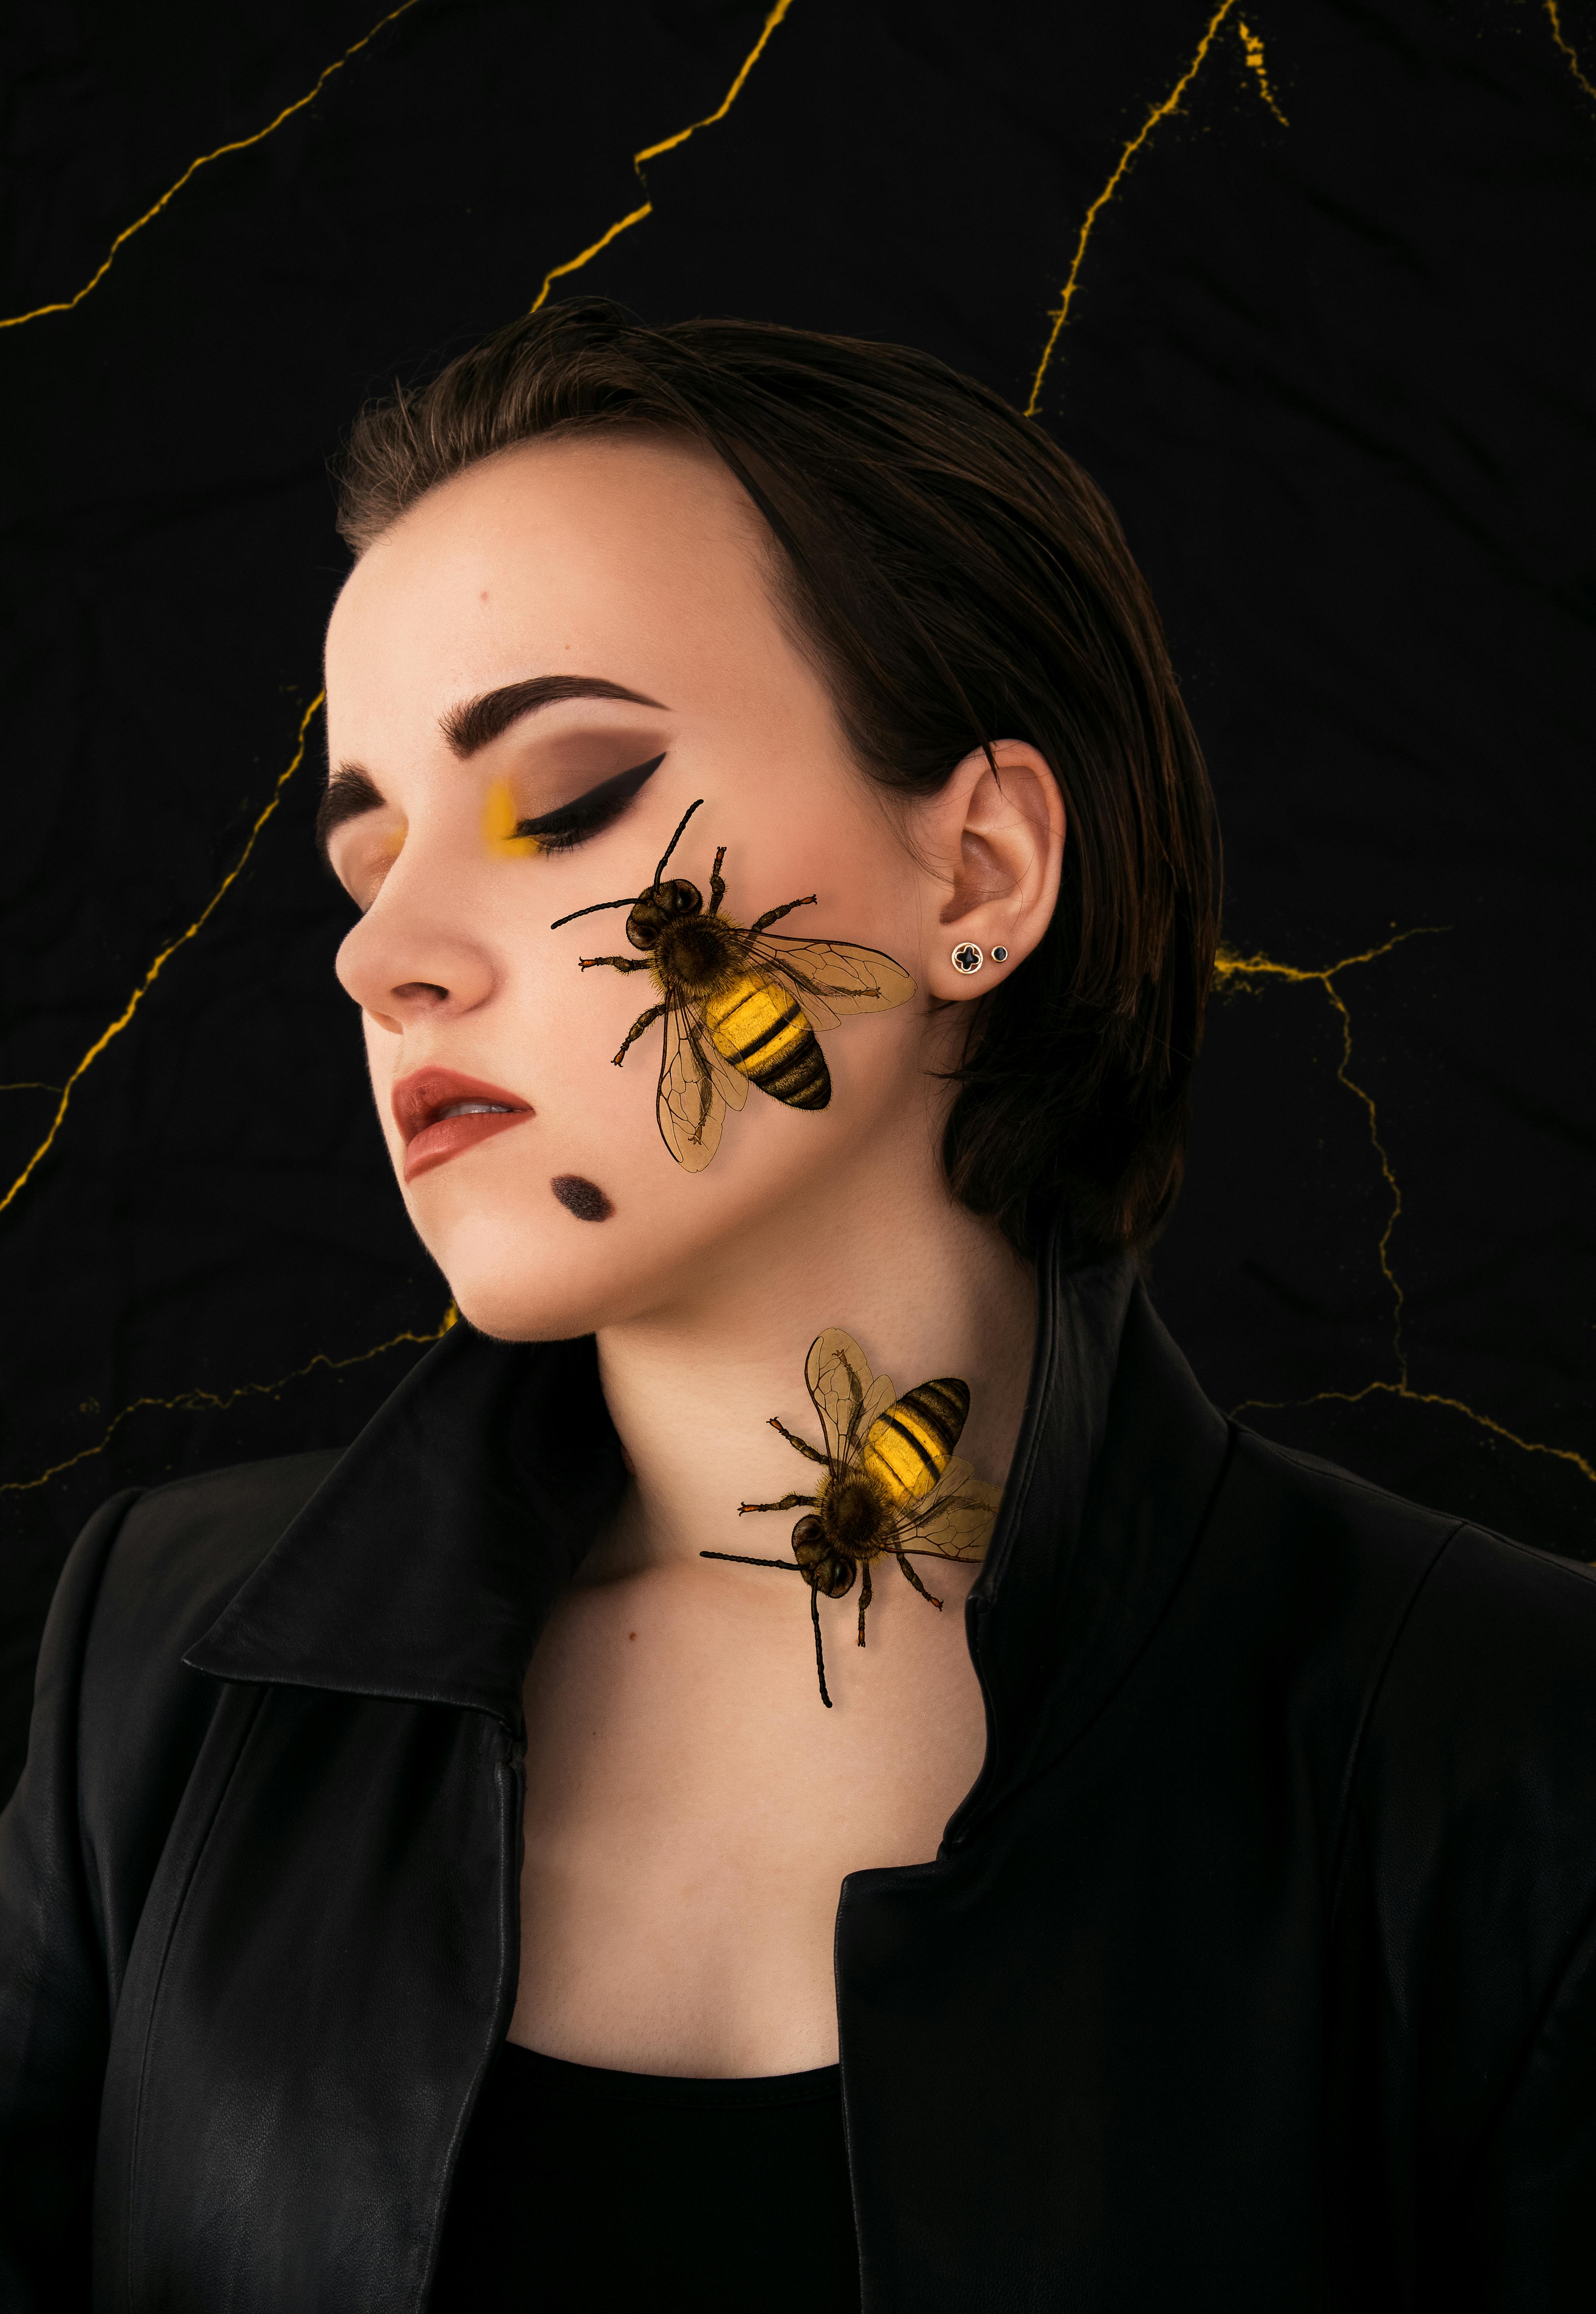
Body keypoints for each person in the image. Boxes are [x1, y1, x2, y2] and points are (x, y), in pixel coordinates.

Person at [3, 300, 1594, 2314]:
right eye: (366, 859)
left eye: (567, 798)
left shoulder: (1503, 1760)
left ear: (981, 869)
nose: (384, 954)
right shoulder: (166, 1675)